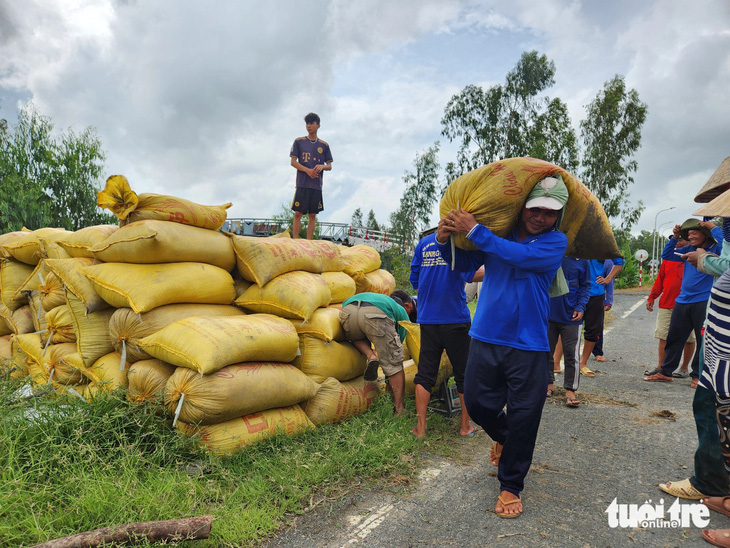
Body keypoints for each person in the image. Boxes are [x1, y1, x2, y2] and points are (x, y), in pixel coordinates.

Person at [436, 175, 568, 519]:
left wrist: (477, 231)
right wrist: (445, 239)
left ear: (559, 217)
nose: (541, 217)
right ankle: (508, 441)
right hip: (486, 335)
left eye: (550, 212)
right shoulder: (498, 234)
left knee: (526, 415)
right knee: (478, 404)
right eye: (535, 209)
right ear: (521, 207)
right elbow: (464, 266)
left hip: (530, 344)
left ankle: (510, 484)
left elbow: (522, 257)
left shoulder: (555, 242)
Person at [409, 231, 483, 439]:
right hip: (455, 319)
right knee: (463, 374)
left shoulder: (424, 243)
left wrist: (430, 291)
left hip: (428, 320)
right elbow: (469, 274)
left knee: (425, 374)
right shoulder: (460, 243)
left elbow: (414, 277)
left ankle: (421, 428)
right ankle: (465, 427)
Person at [645, 218, 722, 386]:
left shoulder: (715, 249)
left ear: (706, 234)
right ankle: (666, 372)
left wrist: (714, 227)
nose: (690, 236)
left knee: (703, 341)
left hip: (703, 300)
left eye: (695, 232)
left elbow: (724, 243)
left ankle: (697, 376)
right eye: (688, 233)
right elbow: (666, 255)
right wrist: (674, 238)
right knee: (674, 337)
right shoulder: (689, 249)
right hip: (682, 300)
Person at [339, 291, 414, 415]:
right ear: (403, 306)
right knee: (394, 364)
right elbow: (395, 350)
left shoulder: (379, 297)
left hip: (348, 310)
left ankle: (371, 356)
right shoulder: (402, 312)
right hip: (375, 313)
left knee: (356, 337)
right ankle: (400, 410)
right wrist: (389, 375)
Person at [645, 236, 696, 378]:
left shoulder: (693, 259)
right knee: (663, 335)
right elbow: (660, 280)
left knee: (689, 338)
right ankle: (661, 367)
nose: (678, 243)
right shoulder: (668, 259)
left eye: (681, 240)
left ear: (689, 242)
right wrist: (652, 297)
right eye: (676, 240)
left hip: (688, 304)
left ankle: (684, 367)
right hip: (667, 303)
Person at [547, 257, 591, 407]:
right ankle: (548, 384)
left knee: (571, 354)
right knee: (545, 351)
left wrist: (580, 307)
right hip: (548, 313)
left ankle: (570, 390)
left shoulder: (582, 260)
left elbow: (586, 286)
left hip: (572, 315)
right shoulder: (553, 254)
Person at [289, 112, 332, 240]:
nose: (309, 126)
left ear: (318, 125)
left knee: (312, 214)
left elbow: (329, 165)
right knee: (298, 213)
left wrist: (322, 166)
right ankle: (295, 241)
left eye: (312, 123)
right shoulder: (299, 142)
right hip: (302, 183)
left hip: (316, 185)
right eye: (307, 123)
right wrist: (307, 170)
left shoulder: (324, 145)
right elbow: (293, 162)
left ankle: (309, 242)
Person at [577, 258, 622, 377]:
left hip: (596, 294)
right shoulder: (577, 243)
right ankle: (558, 362)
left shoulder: (603, 247)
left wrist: (607, 280)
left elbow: (619, 262)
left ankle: (583, 363)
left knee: (593, 330)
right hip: (575, 293)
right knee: (569, 328)